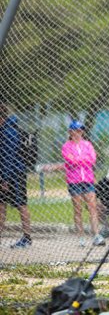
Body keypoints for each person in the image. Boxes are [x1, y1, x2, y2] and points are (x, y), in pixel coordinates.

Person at [61, 120, 105, 247]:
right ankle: (80, 237)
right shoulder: (66, 146)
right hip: (74, 181)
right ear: (71, 132)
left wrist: (79, 160)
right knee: (78, 209)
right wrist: (82, 160)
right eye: (77, 130)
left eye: (81, 130)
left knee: (92, 207)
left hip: (88, 180)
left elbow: (92, 160)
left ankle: (96, 235)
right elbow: (70, 161)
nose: (79, 133)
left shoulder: (88, 144)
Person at [0, 103, 33, 248]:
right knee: (1, 205)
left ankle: (27, 237)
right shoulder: (4, 130)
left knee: (21, 204)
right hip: (5, 174)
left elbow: (9, 157)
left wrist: (4, 179)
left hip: (15, 174)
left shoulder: (9, 131)